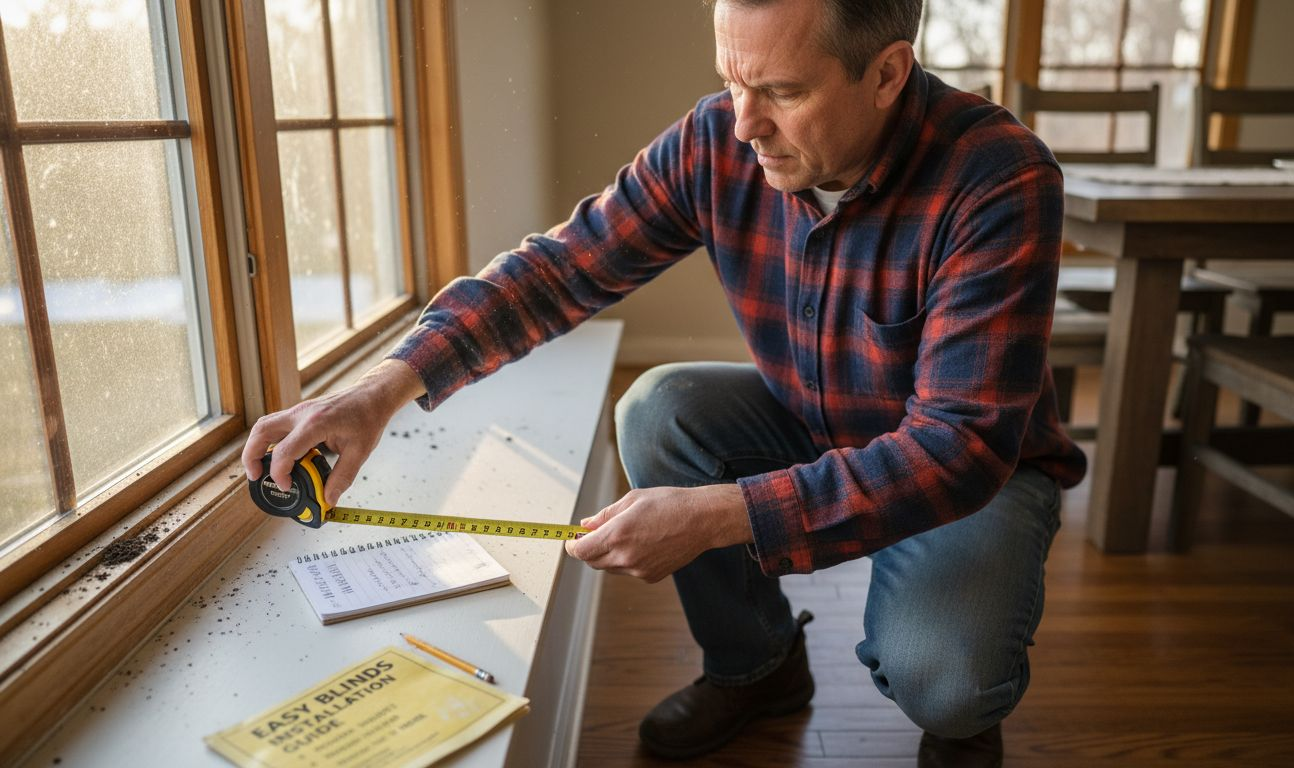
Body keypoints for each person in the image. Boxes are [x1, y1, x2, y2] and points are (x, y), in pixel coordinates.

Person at [243, 0, 1087, 764]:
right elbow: (559, 271)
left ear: (888, 75)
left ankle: (963, 730)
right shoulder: (719, 137)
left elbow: (959, 446)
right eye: (730, 79)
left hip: (975, 476)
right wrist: (380, 389)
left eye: (782, 91)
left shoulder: (999, 176)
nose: (744, 123)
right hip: (816, 422)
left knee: (946, 682)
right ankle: (756, 668)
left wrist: (725, 514)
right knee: (663, 408)